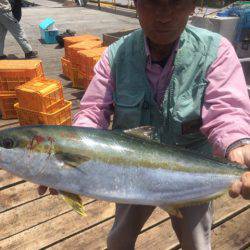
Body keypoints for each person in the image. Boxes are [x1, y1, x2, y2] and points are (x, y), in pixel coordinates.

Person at [39, 0, 250, 249]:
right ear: (137, 4)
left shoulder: (216, 51)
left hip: (192, 173)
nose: (163, 15)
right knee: (118, 241)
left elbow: (227, 110)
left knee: (197, 244)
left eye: (176, 4)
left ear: (193, 5)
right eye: (151, 3)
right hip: (130, 173)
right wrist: (67, 155)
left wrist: (238, 144)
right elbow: (93, 112)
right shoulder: (116, 55)